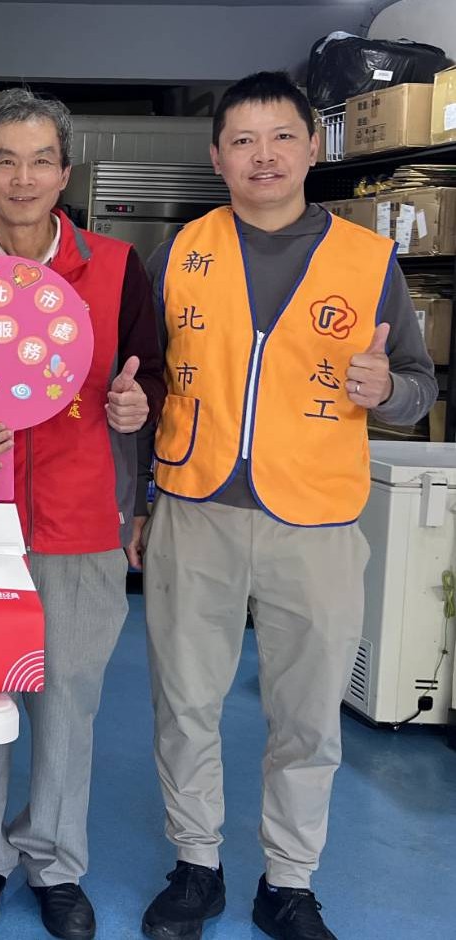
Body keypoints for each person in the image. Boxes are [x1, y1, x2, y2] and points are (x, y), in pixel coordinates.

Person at [138, 71, 435, 940]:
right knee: (184, 701)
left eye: (280, 138)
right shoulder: (182, 252)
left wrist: (388, 390)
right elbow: (143, 381)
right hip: (195, 506)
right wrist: (134, 498)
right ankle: (196, 865)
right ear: (217, 157)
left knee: (306, 716)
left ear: (312, 147)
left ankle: (289, 881)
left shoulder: (367, 260)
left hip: (317, 518)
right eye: (242, 140)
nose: (262, 156)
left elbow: (418, 383)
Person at [0, 88, 165, 940]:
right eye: (6, 162)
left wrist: (137, 404)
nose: (23, 178)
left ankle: (55, 862)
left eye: (41, 161)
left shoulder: (118, 268)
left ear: (64, 172)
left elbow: (150, 373)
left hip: (82, 522)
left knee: (68, 702)